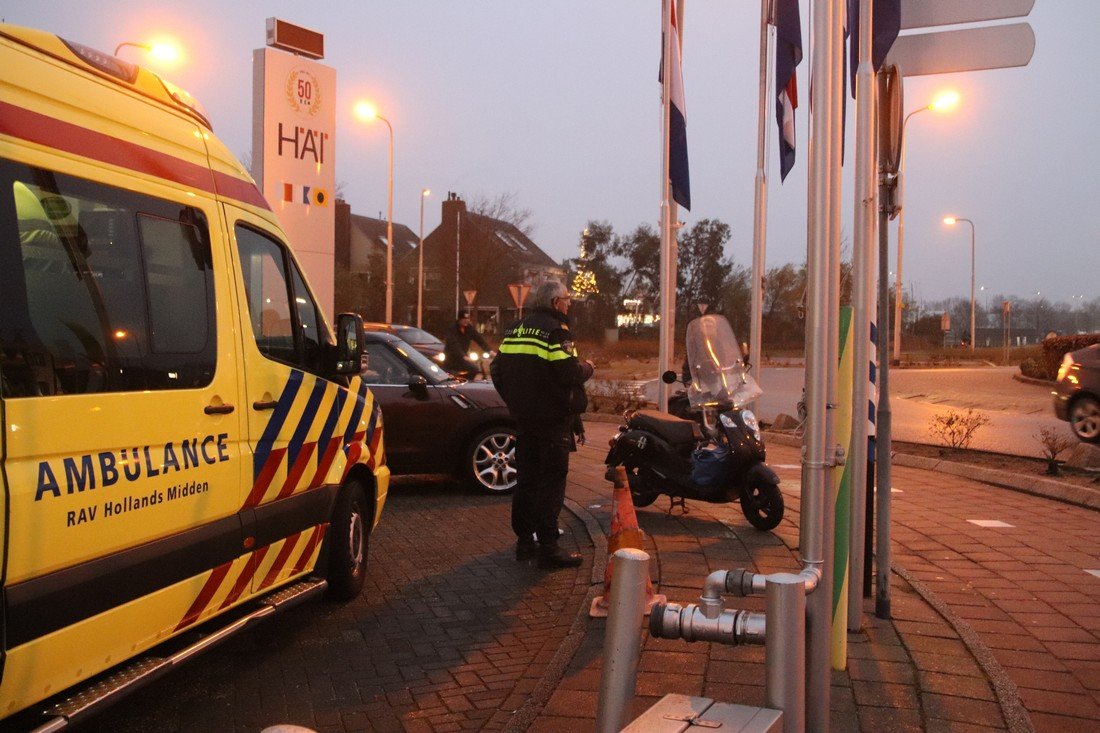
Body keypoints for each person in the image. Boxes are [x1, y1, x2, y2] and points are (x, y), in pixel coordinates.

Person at [490, 280, 593, 569]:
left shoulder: (515, 329)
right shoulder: (555, 331)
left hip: (524, 420)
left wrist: (514, 400)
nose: (569, 303)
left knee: (526, 481)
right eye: (567, 298)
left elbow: (496, 368)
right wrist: (589, 368)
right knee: (551, 482)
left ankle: (525, 543)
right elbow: (569, 372)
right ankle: (549, 547)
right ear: (554, 303)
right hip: (551, 422)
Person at [443, 310, 492, 378]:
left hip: (463, 359)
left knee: (474, 369)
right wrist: (463, 356)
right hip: (451, 359)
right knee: (452, 376)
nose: (466, 320)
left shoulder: (469, 329)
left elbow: (479, 339)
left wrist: (489, 351)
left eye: (467, 319)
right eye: (464, 319)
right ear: (459, 319)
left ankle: (465, 383)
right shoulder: (452, 329)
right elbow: (454, 344)